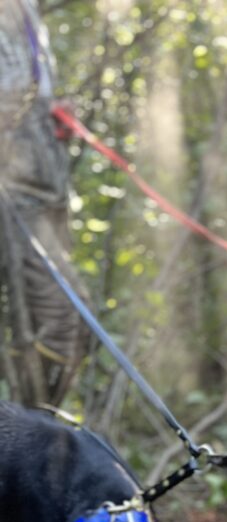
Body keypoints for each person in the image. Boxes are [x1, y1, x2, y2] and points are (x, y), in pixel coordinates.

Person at [0, 0, 89, 405]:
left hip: (48, 190)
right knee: (64, 318)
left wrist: (51, 115)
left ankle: (32, 424)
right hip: (15, 197)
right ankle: (30, 425)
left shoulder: (28, 11)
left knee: (75, 323)